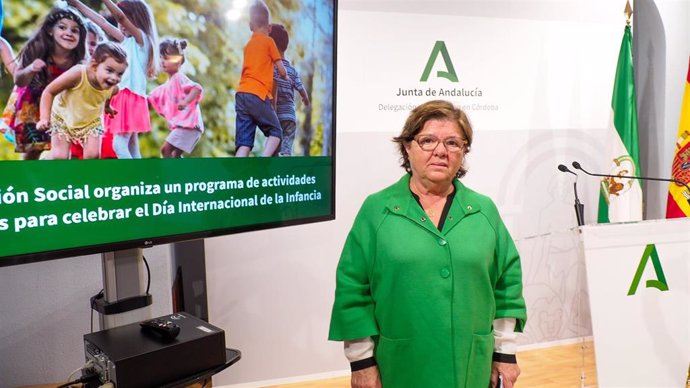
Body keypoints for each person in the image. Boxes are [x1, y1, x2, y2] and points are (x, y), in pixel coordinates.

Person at [329, 100, 527, 388]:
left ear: (464, 152)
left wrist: (505, 354)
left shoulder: (483, 210)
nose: (440, 151)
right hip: (401, 367)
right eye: (427, 140)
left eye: (452, 143)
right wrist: (361, 362)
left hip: (472, 367)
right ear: (407, 147)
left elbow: (507, 284)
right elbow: (353, 289)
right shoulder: (377, 210)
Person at [68, 0, 158, 159]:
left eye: (126, 21)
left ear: (137, 19)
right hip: (122, 97)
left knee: (119, 145)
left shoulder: (142, 40)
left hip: (130, 98)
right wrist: (77, 5)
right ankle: (141, 177)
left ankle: (130, 179)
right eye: (118, 22)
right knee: (131, 146)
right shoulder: (127, 41)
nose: (120, 25)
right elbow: (102, 22)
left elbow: (121, 17)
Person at [5, 7, 86, 160]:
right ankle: (27, 179)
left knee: (62, 151)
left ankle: (53, 179)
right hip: (32, 104)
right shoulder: (38, 48)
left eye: (75, 31)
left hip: (59, 107)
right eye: (62, 27)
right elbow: (19, 80)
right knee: (33, 150)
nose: (69, 33)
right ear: (50, 30)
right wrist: (30, 69)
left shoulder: (78, 60)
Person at [36, 42, 127, 160]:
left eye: (120, 74)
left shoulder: (113, 88)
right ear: (94, 65)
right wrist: (44, 118)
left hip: (91, 121)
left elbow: (107, 96)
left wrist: (107, 107)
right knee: (60, 157)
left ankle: (85, 178)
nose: (115, 78)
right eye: (109, 70)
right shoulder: (78, 74)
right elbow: (49, 91)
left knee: (93, 155)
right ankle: (45, 161)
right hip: (63, 116)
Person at [234, 0, 287, 157]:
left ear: (251, 26)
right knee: (276, 132)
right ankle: (264, 161)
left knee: (244, 142)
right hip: (257, 94)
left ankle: (236, 173)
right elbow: (282, 70)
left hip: (242, 94)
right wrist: (285, 76)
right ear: (269, 28)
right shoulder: (269, 41)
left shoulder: (248, 45)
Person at [148, 38, 204, 158]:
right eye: (161, 58)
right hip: (188, 127)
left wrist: (185, 101)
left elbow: (197, 88)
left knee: (165, 150)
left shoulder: (179, 78)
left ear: (178, 61)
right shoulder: (169, 84)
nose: (162, 62)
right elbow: (154, 96)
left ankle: (170, 176)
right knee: (175, 155)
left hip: (189, 126)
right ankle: (182, 175)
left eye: (166, 59)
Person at [268, 23, 309, 156]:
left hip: (276, 116)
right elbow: (301, 88)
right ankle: (285, 157)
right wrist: (305, 98)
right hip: (290, 116)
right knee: (286, 146)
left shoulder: (272, 68)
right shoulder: (292, 70)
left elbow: (271, 89)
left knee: (273, 145)